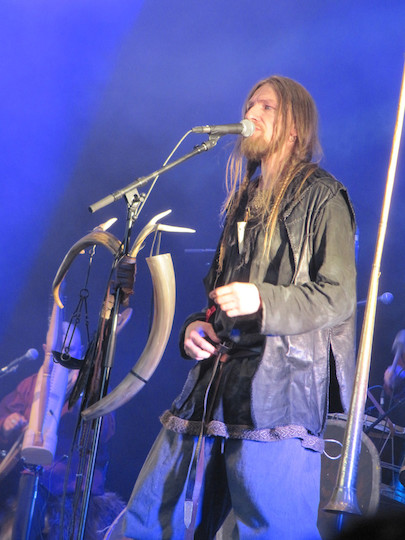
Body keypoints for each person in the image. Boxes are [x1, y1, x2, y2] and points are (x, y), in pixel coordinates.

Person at [109, 75, 357, 540]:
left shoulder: (324, 196)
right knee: (151, 512)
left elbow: (337, 296)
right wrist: (196, 327)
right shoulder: (244, 198)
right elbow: (218, 294)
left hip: (281, 391)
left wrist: (263, 299)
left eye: (266, 107)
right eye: (249, 105)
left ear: (295, 127)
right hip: (216, 381)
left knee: (272, 526)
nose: (250, 114)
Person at [0, 322, 124, 540]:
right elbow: (5, 415)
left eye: (70, 350)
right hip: (32, 486)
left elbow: (104, 432)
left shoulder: (95, 388)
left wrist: (81, 398)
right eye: (57, 350)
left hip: (75, 491)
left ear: (81, 352)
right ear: (46, 349)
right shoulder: (31, 384)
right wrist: (7, 423)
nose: (64, 357)